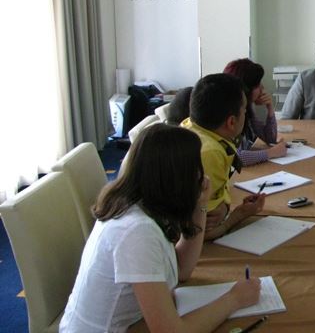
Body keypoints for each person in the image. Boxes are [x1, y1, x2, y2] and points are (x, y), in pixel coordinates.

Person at [60, 124, 261, 332]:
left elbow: (182, 270)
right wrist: (234, 299)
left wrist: (200, 205)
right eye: (196, 169)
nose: (202, 176)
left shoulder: (145, 204)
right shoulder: (136, 232)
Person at [182, 73, 266, 240]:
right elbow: (204, 232)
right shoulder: (210, 153)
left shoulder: (190, 124)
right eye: (244, 110)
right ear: (231, 122)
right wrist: (239, 214)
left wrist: (224, 205)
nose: (246, 114)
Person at [223, 58, 287, 165]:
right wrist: (271, 152)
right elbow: (236, 157)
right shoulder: (229, 114)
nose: (262, 88)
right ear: (246, 90)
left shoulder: (246, 108)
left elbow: (269, 138)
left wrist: (270, 108)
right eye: (257, 86)